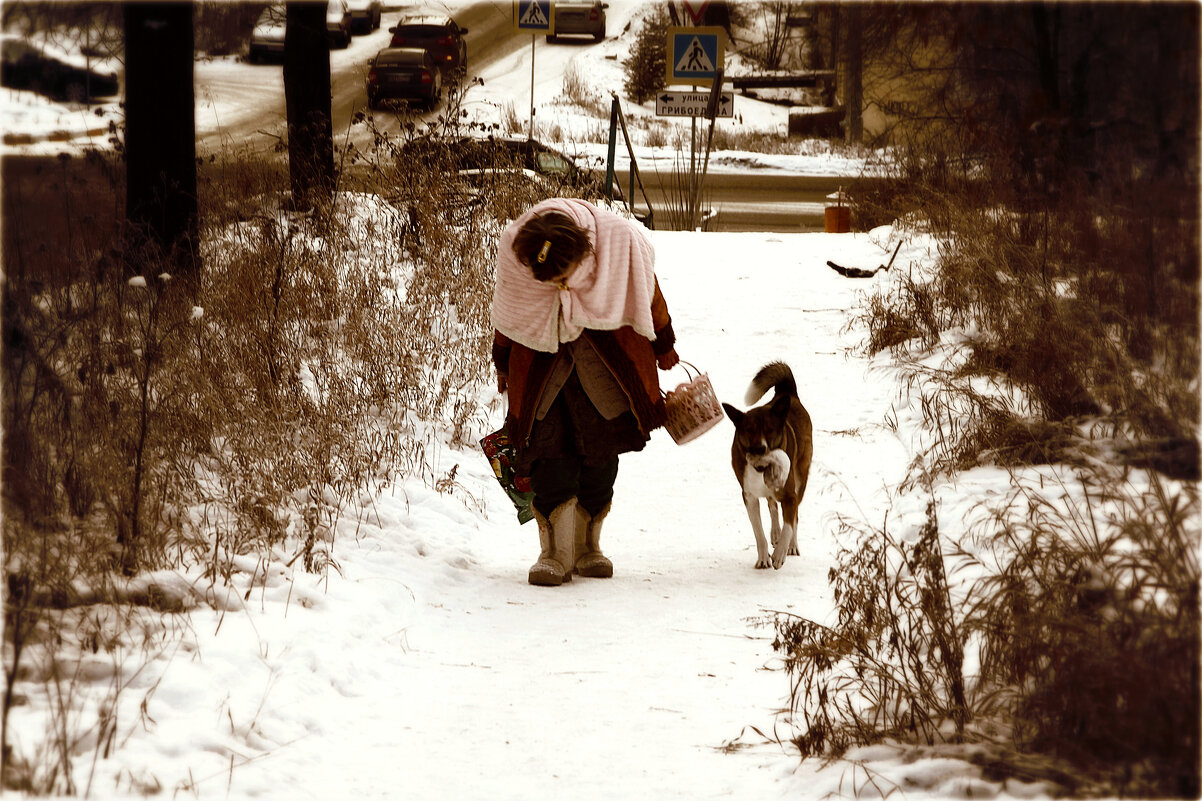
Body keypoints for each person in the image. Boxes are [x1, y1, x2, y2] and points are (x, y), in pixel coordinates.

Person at [491, 197, 680, 586]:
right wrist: (502, 361)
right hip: (544, 370)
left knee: (600, 454)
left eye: (566, 276)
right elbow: (509, 311)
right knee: (548, 453)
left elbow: (649, 293)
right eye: (551, 282)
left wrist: (663, 344)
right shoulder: (518, 251)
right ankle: (553, 553)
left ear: (587, 252)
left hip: (606, 365)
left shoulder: (621, 241)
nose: (561, 288)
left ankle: (588, 547)